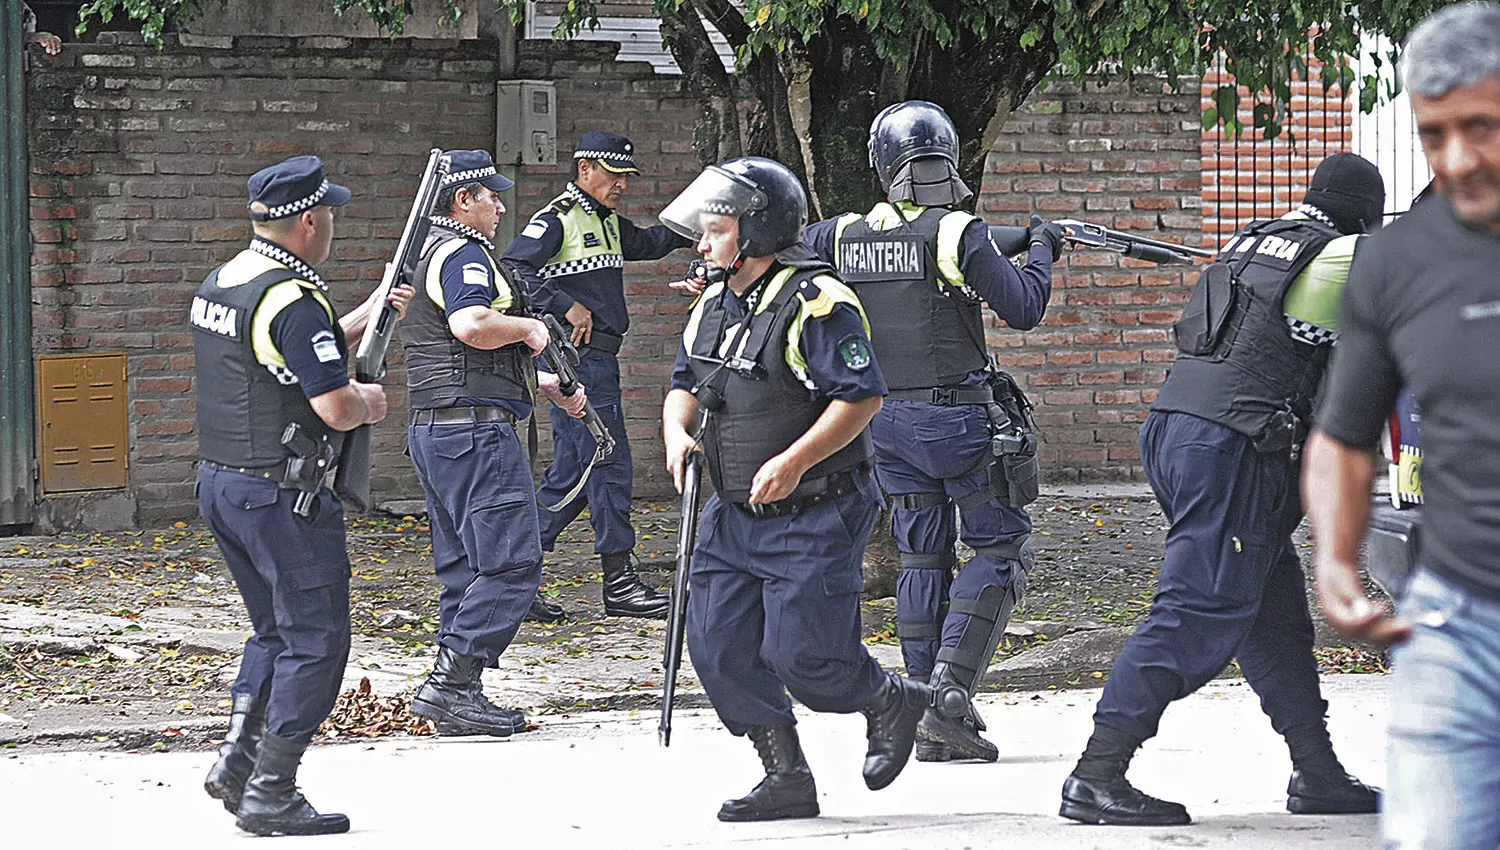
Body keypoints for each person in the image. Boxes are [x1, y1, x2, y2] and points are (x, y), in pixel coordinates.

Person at [1058, 151, 1387, 826]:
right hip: (1233, 444)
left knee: (1273, 616)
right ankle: (1096, 775)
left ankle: (1316, 773)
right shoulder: (1339, 255)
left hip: (1180, 430)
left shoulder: (1256, 240)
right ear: (1363, 215)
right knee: (1196, 611)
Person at [659, 156, 931, 822]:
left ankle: (889, 699)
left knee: (805, 658)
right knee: (719, 649)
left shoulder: (821, 304)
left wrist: (795, 460)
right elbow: (684, 385)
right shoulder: (714, 305)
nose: (702, 244)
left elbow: (861, 398)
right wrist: (675, 435)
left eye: (715, 231)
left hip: (813, 511)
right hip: (729, 510)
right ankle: (785, 776)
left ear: (755, 232)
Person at [802, 100, 1058, 763]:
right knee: (1002, 550)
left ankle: (921, 712)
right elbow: (1024, 307)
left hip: (883, 424)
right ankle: (947, 692)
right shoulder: (959, 232)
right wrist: (1042, 249)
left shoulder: (839, 234)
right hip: (959, 425)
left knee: (922, 557)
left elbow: (787, 259)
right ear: (946, 158)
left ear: (883, 165)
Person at [1306, 6, 1500, 848]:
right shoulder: (1393, 263)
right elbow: (1343, 435)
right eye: (1434, 135)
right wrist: (1338, 558)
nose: (1457, 159)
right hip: (1455, 624)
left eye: (1483, 128)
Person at [193, 155, 412, 836]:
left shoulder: (230, 278)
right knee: (317, 640)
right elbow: (335, 404)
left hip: (224, 484)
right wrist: (371, 402)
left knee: (274, 631)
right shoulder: (291, 297)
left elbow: (281, 356)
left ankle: (238, 759)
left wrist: (370, 312)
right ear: (309, 220)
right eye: (331, 214)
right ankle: (272, 789)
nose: (334, 225)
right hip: (281, 494)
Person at [401, 150, 589, 738]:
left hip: (440, 428)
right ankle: (451, 686)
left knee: (465, 566)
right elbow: (472, 326)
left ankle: (459, 692)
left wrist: (544, 384)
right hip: (475, 432)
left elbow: (458, 354)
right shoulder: (462, 253)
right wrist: (534, 329)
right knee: (511, 563)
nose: (500, 205)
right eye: (491, 195)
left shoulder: (428, 253)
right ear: (463, 200)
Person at [502, 131, 693, 622]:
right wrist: (567, 306)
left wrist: (700, 215)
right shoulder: (558, 219)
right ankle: (616, 582)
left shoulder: (605, 222)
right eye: (613, 174)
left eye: (627, 176)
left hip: (599, 361)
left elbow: (651, 242)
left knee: (583, 469)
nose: (622, 185)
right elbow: (513, 269)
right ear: (585, 168)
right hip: (576, 360)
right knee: (603, 465)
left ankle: (512, 578)